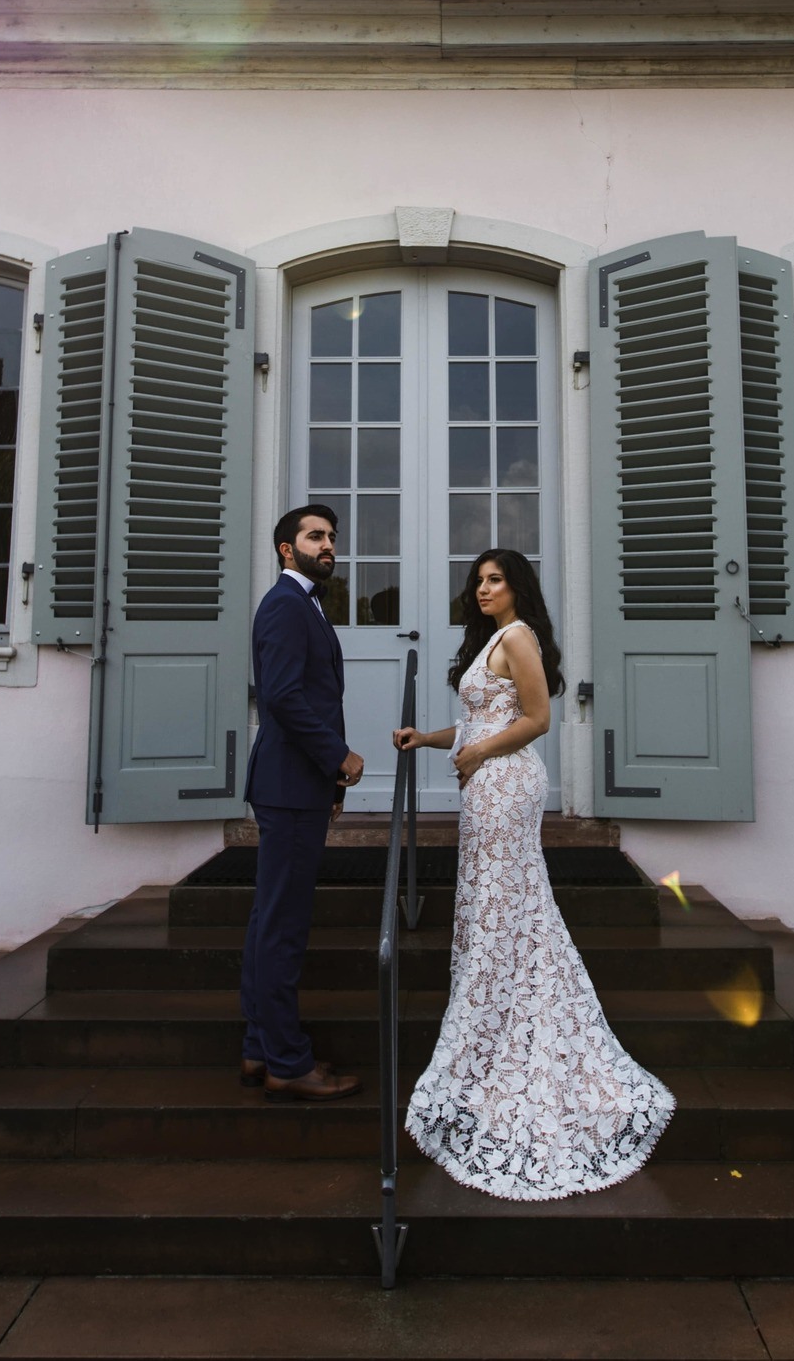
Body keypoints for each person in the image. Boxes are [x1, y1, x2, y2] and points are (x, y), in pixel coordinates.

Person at [392, 549, 674, 1198]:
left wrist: (475, 755)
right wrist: (430, 740)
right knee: (503, 902)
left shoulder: (519, 637)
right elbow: (476, 720)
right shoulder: (490, 639)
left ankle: (502, 1031)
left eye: (496, 579)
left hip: (506, 783)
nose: (484, 588)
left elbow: (536, 720)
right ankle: (497, 1021)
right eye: (479, 580)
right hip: (484, 778)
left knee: (504, 899)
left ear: (518, 587)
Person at [238, 504, 365, 1102]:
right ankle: (288, 1060)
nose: (329, 545)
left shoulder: (305, 603)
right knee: (283, 927)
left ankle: (260, 1047)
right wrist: (339, 758)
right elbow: (284, 698)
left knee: (270, 919)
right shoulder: (287, 605)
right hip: (289, 786)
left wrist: (328, 782)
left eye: (332, 537)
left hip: (297, 785)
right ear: (286, 549)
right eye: (316, 537)